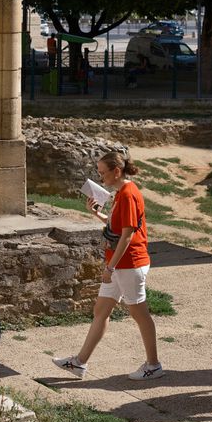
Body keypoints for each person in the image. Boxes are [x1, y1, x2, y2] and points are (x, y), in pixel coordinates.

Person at [53, 151, 163, 381]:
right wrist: (98, 215)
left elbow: (127, 236)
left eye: (103, 173)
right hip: (120, 264)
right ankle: (79, 363)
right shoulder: (121, 193)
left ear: (117, 171)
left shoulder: (129, 194)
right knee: (100, 311)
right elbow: (118, 227)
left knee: (139, 314)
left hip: (129, 264)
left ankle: (153, 365)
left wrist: (110, 268)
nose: (101, 178)